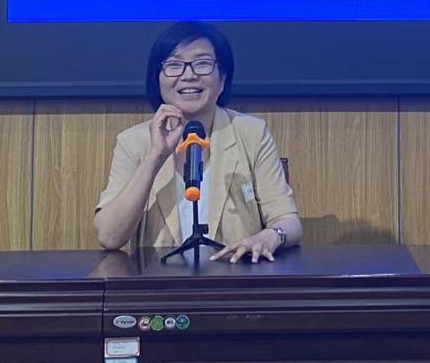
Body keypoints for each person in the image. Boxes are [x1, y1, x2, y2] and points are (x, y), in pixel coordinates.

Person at [95, 21, 302, 263]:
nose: (189, 75)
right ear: (157, 80)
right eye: (174, 65)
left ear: (222, 79)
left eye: (202, 64)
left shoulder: (252, 134)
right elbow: (109, 236)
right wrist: (155, 157)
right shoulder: (133, 142)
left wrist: (271, 236)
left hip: (235, 279)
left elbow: (289, 221)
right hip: (158, 282)